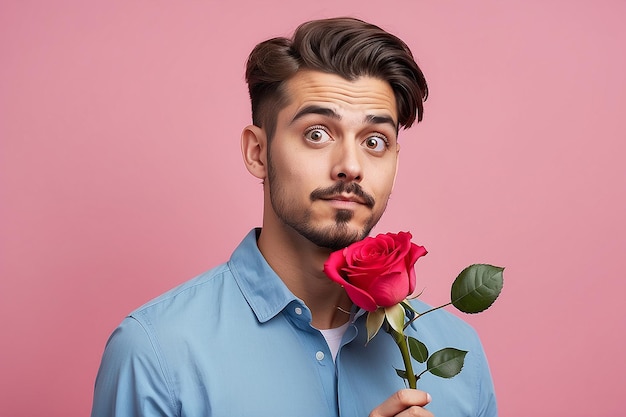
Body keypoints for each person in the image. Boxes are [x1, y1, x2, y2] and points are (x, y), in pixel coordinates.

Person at [91, 17, 497, 417]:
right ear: (258, 153)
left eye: (375, 141)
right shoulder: (156, 352)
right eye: (317, 133)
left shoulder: (461, 358)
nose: (350, 166)